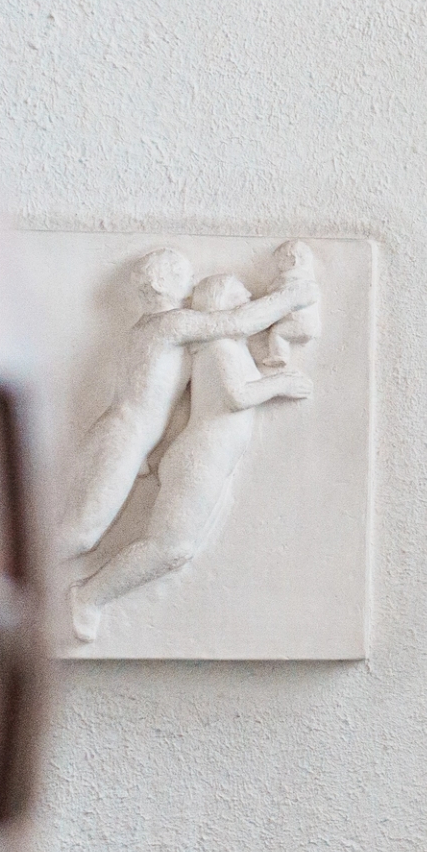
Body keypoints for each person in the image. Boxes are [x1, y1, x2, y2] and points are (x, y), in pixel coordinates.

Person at [70, 259, 319, 641]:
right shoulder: (174, 324)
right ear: (163, 281)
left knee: (146, 541)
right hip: (128, 438)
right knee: (83, 534)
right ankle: (31, 587)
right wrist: (289, 298)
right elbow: (235, 329)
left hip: (145, 442)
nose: (189, 284)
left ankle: (49, 590)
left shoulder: (190, 339)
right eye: (242, 297)